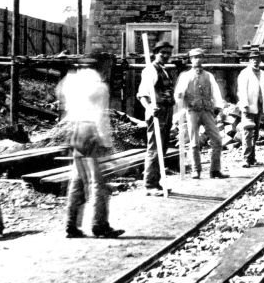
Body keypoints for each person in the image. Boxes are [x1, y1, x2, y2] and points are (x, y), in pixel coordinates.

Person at [58, 65, 124, 238]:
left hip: (77, 132)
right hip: (92, 133)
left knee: (77, 181)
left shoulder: (72, 82)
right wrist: (106, 142)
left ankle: (71, 225)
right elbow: (100, 115)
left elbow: (67, 109)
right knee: (97, 183)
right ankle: (99, 225)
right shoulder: (99, 87)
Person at [174, 48, 227, 178]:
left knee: (217, 140)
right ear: (191, 59)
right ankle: (196, 170)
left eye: (199, 57)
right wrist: (180, 98)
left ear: (203, 59)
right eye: (194, 57)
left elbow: (216, 92)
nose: (197, 60)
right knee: (194, 142)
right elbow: (178, 94)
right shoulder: (185, 76)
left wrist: (218, 107)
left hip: (207, 111)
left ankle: (215, 170)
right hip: (192, 112)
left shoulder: (209, 75)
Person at [137, 40, 177, 195]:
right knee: (155, 149)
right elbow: (142, 95)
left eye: (168, 53)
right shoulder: (150, 70)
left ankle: (157, 182)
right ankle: (149, 185)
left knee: (163, 148)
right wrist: (149, 107)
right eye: (163, 53)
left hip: (167, 112)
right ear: (155, 53)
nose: (166, 56)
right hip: (157, 113)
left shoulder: (164, 70)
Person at [236, 51, 264, 167]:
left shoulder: (262, 73)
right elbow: (241, 90)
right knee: (248, 132)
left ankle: (252, 158)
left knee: (256, 133)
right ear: (249, 60)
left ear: (260, 60)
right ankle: (246, 159)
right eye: (253, 59)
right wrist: (245, 104)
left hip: (258, 107)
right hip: (247, 107)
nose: (255, 61)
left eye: (257, 59)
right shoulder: (245, 73)